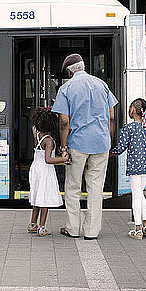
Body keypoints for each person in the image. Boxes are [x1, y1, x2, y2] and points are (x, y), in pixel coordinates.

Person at [51, 53, 118, 240]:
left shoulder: (66, 89)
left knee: (72, 187)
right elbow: (112, 117)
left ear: (70, 72)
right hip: (101, 143)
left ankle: (73, 229)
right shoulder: (102, 85)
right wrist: (109, 140)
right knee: (96, 188)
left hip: (77, 144)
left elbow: (64, 122)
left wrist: (63, 147)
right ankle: (91, 231)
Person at [111, 98, 146, 240]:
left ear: (133, 110)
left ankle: (138, 228)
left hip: (134, 166)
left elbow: (121, 147)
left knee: (136, 195)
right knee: (140, 194)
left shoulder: (129, 128)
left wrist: (110, 153)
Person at [27, 107, 70, 237]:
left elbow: (33, 127)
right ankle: (42, 228)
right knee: (44, 199)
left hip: (35, 169)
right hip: (45, 171)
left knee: (36, 198)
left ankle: (32, 224)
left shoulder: (38, 137)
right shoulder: (49, 140)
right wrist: (63, 159)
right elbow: (48, 160)